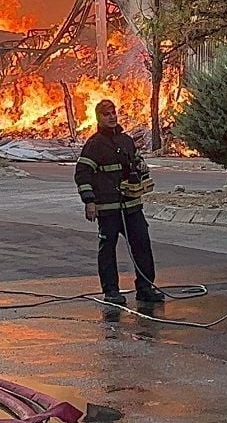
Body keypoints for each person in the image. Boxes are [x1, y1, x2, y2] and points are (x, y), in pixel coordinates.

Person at [75, 99, 164, 305]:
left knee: (142, 244)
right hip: (108, 209)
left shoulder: (126, 140)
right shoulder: (94, 145)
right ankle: (111, 291)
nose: (112, 117)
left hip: (131, 206)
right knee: (108, 249)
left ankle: (145, 288)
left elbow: (137, 160)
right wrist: (89, 201)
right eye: (107, 114)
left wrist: (140, 168)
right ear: (99, 118)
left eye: (113, 112)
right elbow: (82, 175)